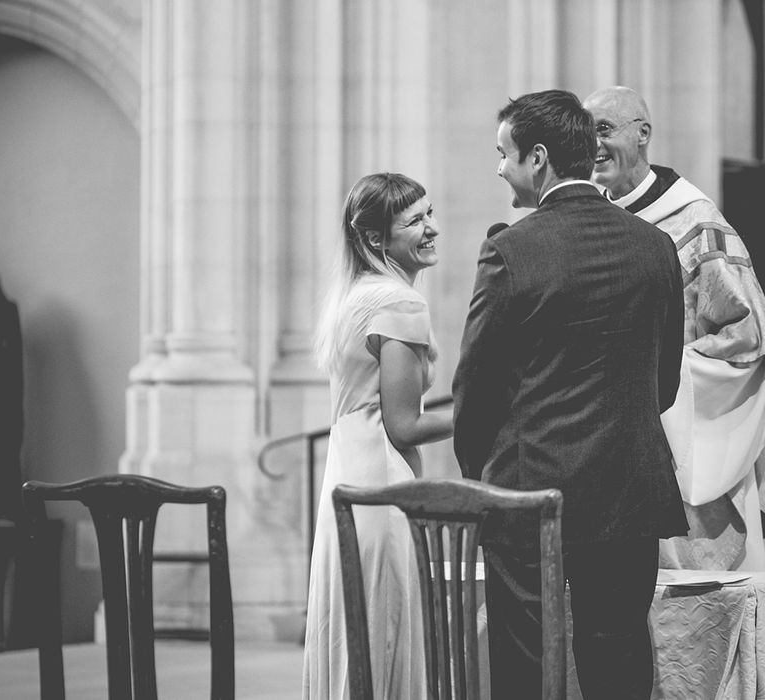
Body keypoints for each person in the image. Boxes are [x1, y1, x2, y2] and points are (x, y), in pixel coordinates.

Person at [452, 89, 688, 699]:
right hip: (630, 488)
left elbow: (473, 393)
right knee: (618, 658)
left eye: (502, 154)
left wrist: (486, 478)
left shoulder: (511, 250)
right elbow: (663, 383)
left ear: (537, 158)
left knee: (525, 663)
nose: (499, 167)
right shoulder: (654, 243)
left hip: (532, 491)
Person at [583, 85, 765, 571]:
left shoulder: (695, 221)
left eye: (604, 129)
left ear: (643, 133)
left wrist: (656, 371)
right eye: (585, 132)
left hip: (681, 437)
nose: (593, 145)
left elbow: (746, 337)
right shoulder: (588, 219)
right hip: (603, 445)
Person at [302, 172, 453, 699]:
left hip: (345, 475)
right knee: (385, 628)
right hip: (382, 484)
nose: (432, 228)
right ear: (375, 239)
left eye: (429, 213)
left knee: (357, 631)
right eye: (415, 221)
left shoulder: (357, 295)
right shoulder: (400, 302)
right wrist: (486, 415)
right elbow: (404, 423)